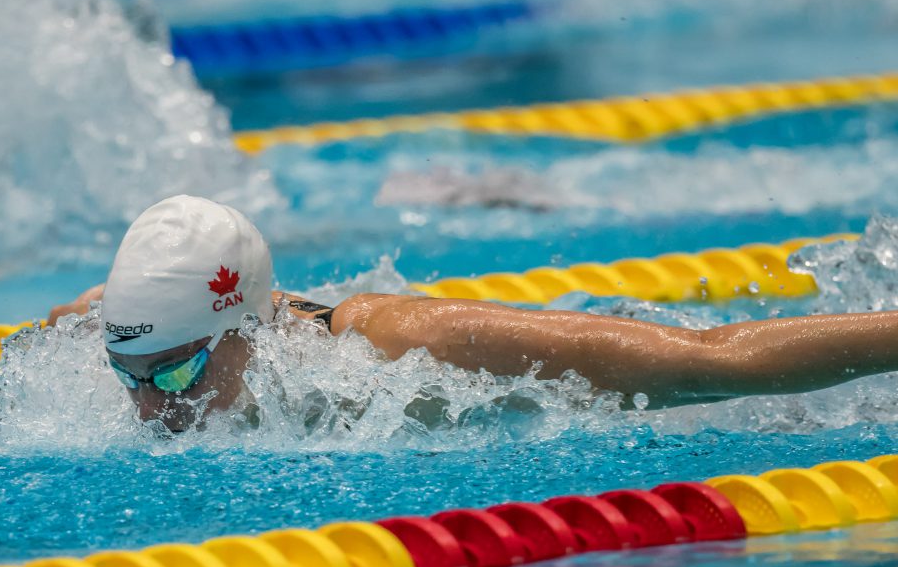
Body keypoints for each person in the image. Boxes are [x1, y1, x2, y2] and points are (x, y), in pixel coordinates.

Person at [49, 195, 898, 432]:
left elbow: (713, 357)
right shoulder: (139, 328)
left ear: (255, 328)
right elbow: (80, 318)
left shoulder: (398, 347)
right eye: (128, 378)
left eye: (181, 372)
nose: (155, 411)